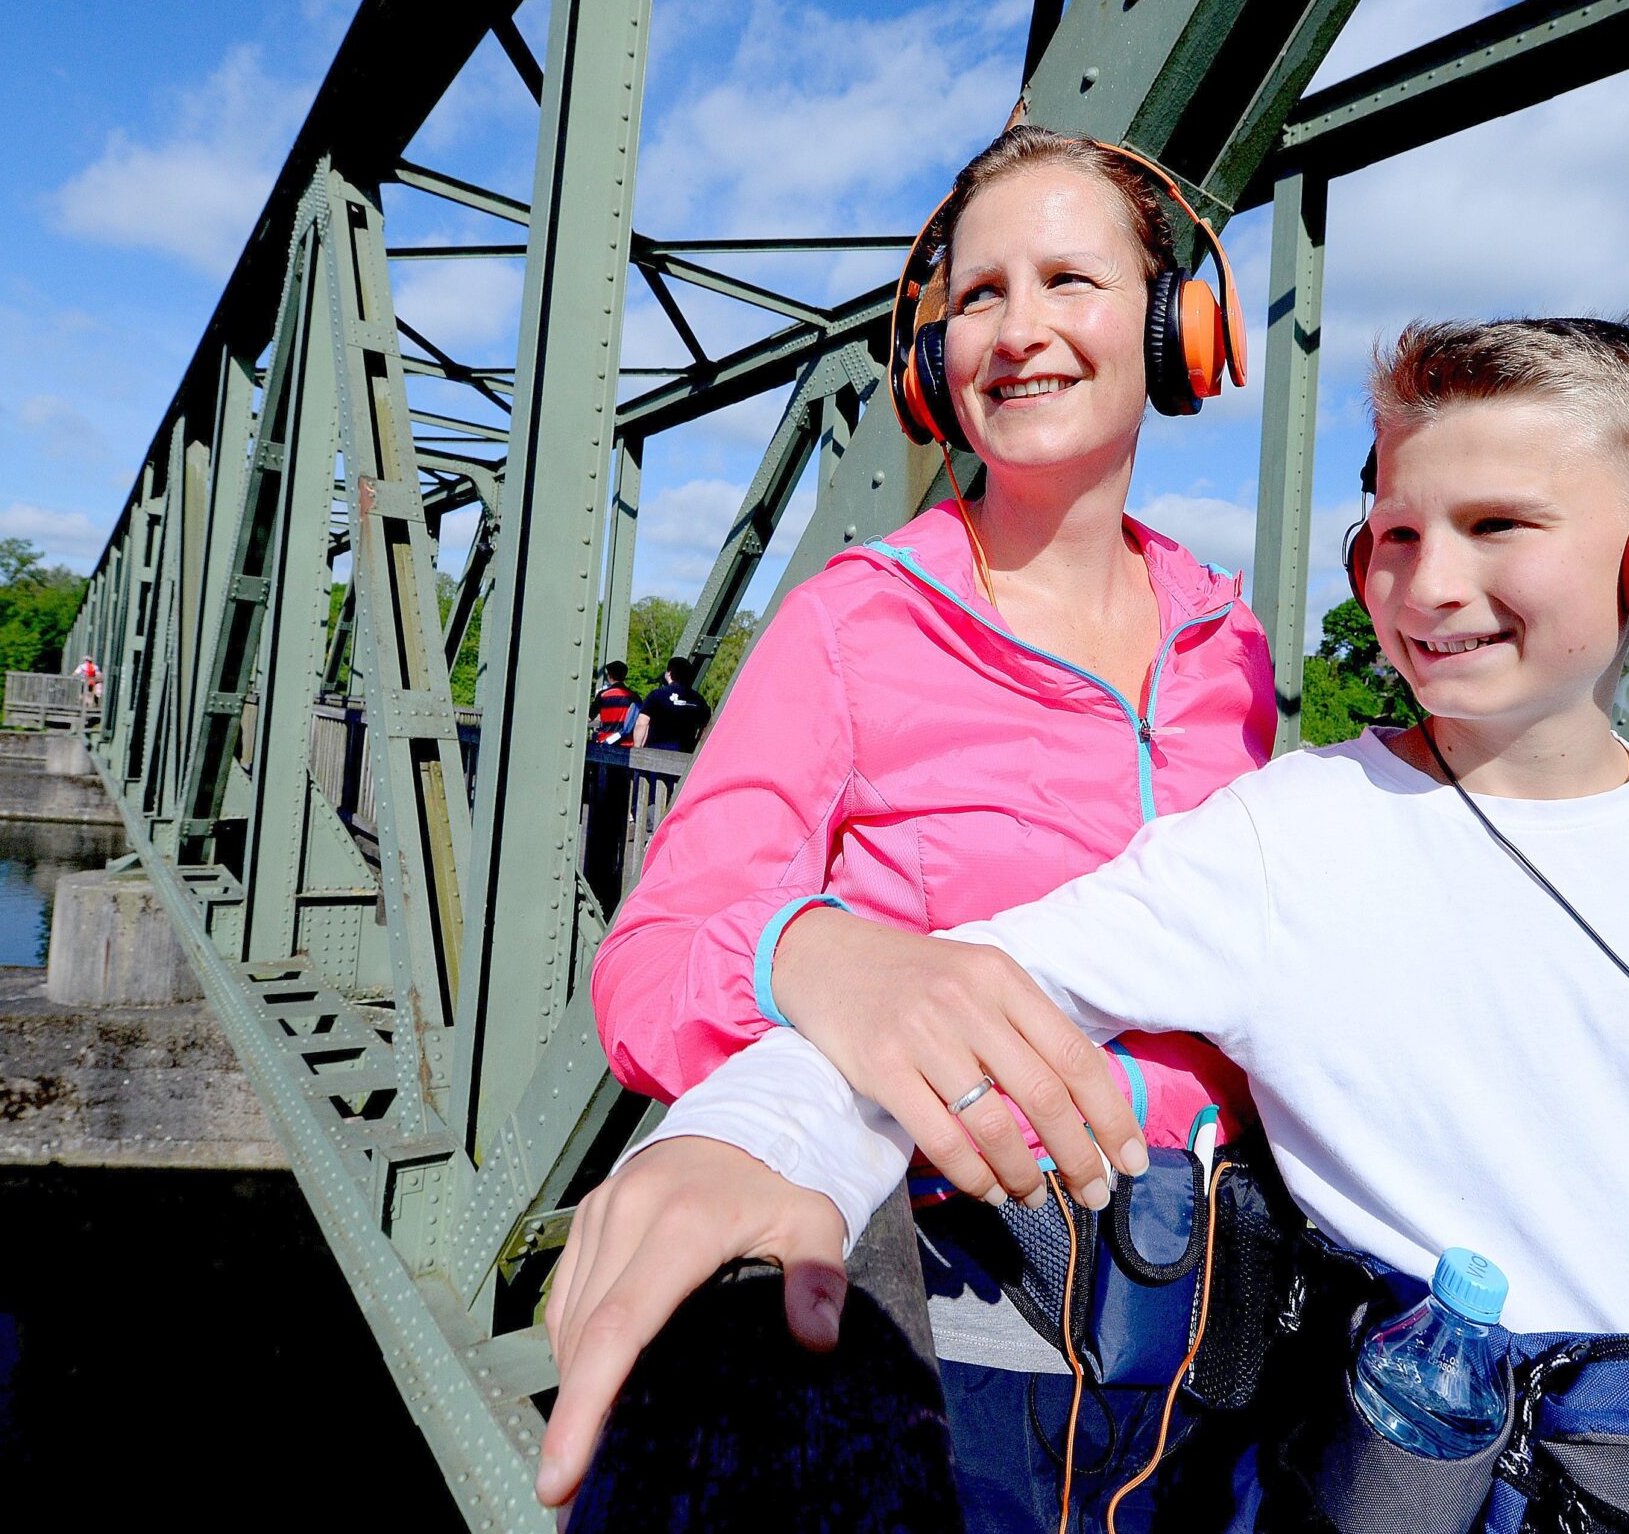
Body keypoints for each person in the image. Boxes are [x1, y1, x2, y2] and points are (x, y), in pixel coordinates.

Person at [550, 319, 1629, 1513]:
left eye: (1499, 528)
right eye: (1397, 534)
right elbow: (975, 992)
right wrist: (748, 1138)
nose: (1425, 586)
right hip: (1445, 1479)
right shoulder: (1287, 839)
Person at [540, 125, 1275, 1526]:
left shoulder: (1228, 642)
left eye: (1071, 279)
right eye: (979, 295)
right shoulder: (852, 621)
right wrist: (819, 957)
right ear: (934, 358)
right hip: (965, 1332)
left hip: (1214, 1366)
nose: (1019, 330)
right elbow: (653, 958)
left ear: (1181, 329)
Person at [629, 655, 713, 752]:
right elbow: (705, 726)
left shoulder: (656, 695)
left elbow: (642, 723)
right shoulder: (698, 699)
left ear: (669, 673)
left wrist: (637, 748)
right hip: (685, 753)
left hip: (656, 751)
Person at [589, 659, 639, 746]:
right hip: (626, 744)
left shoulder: (603, 695)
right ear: (624, 676)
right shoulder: (634, 696)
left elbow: (590, 717)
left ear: (610, 676)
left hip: (605, 742)